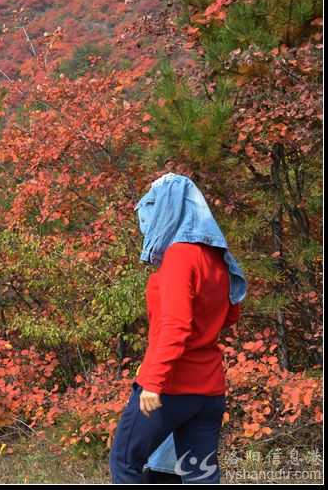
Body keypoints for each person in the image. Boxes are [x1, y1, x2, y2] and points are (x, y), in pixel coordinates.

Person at [109, 173, 246, 484]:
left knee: (125, 462)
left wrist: (153, 383)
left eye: (154, 205)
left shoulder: (179, 255)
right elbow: (229, 314)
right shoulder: (218, 258)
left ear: (169, 208)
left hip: (171, 387)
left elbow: (176, 325)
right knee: (198, 475)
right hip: (209, 390)